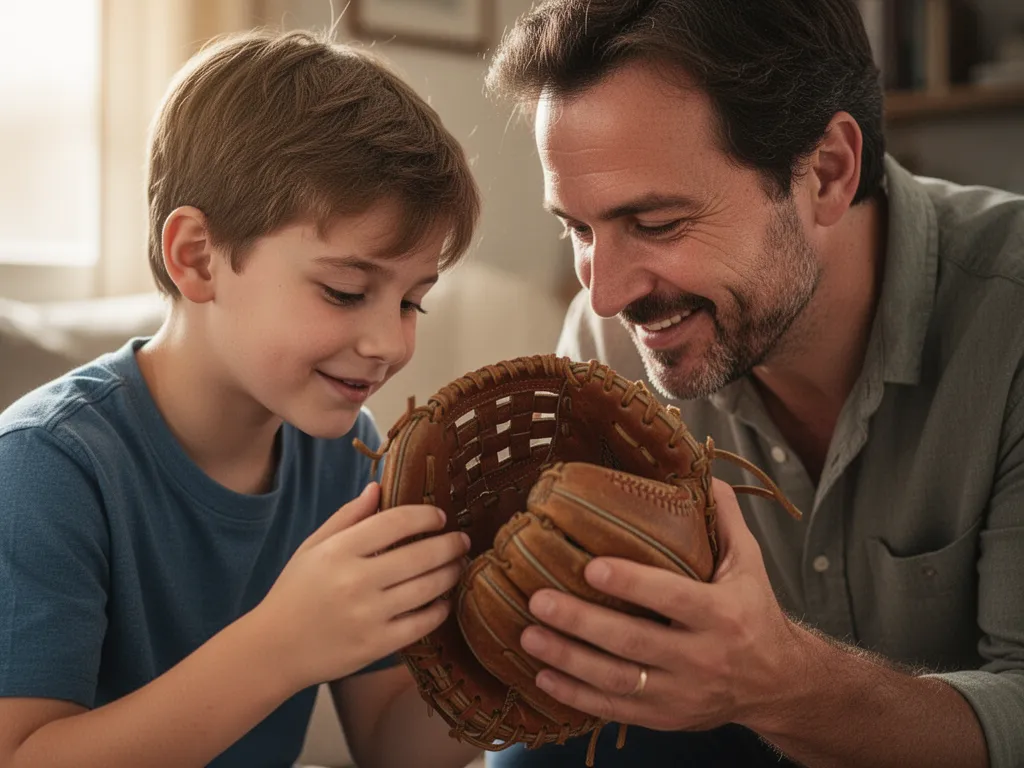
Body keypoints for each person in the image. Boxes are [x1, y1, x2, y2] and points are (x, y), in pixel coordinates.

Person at [483, 1, 1024, 766]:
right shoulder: (607, 338)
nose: (604, 294)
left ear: (828, 172)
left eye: (658, 223)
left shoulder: (1011, 316)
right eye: (577, 228)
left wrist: (778, 684)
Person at [0, 29, 486, 768]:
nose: (389, 342)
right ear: (196, 257)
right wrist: (282, 646)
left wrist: (526, 658)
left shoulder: (345, 455)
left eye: (413, 302)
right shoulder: (45, 468)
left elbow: (391, 740)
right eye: (346, 291)